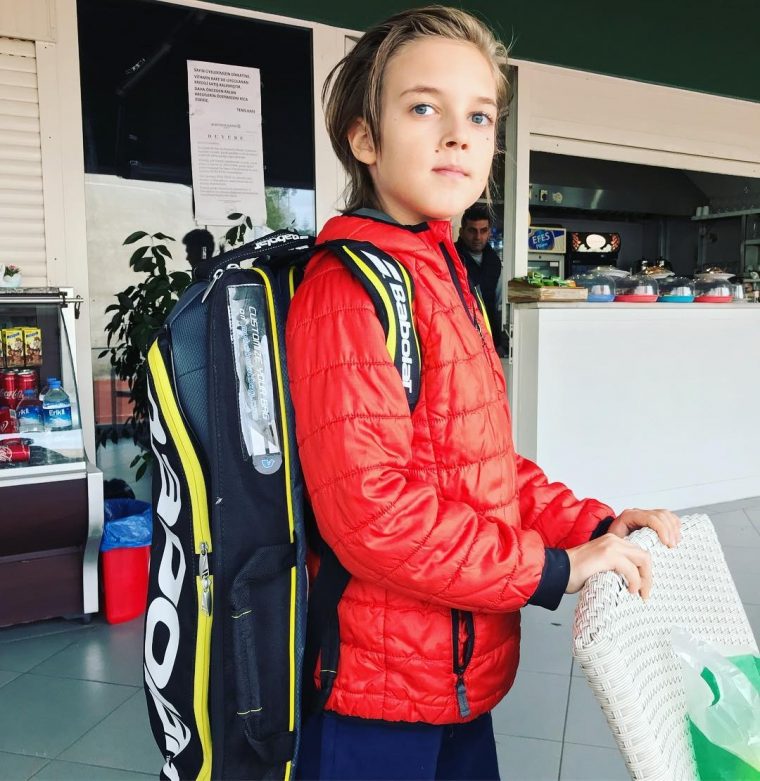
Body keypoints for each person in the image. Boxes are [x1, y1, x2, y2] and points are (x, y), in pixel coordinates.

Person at [286, 8, 681, 780]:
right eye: (422, 107)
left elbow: (480, 468)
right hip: (379, 695)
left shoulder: (441, 273)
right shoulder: (347, 289)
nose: (458, 136)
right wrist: (553, 568)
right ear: (364, 139)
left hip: (456, 679)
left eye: (479, 116)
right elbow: (373, 516)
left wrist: (593, 525)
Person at [456, 202, 502, 337]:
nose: (478, 237)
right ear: (461, 232)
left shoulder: (494, 262)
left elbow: (498, 305)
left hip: (488, 335)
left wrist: (498, 341)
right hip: (461, 333)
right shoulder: (451, 257)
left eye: (483, 231)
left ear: (489, 233)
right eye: (472, 230)